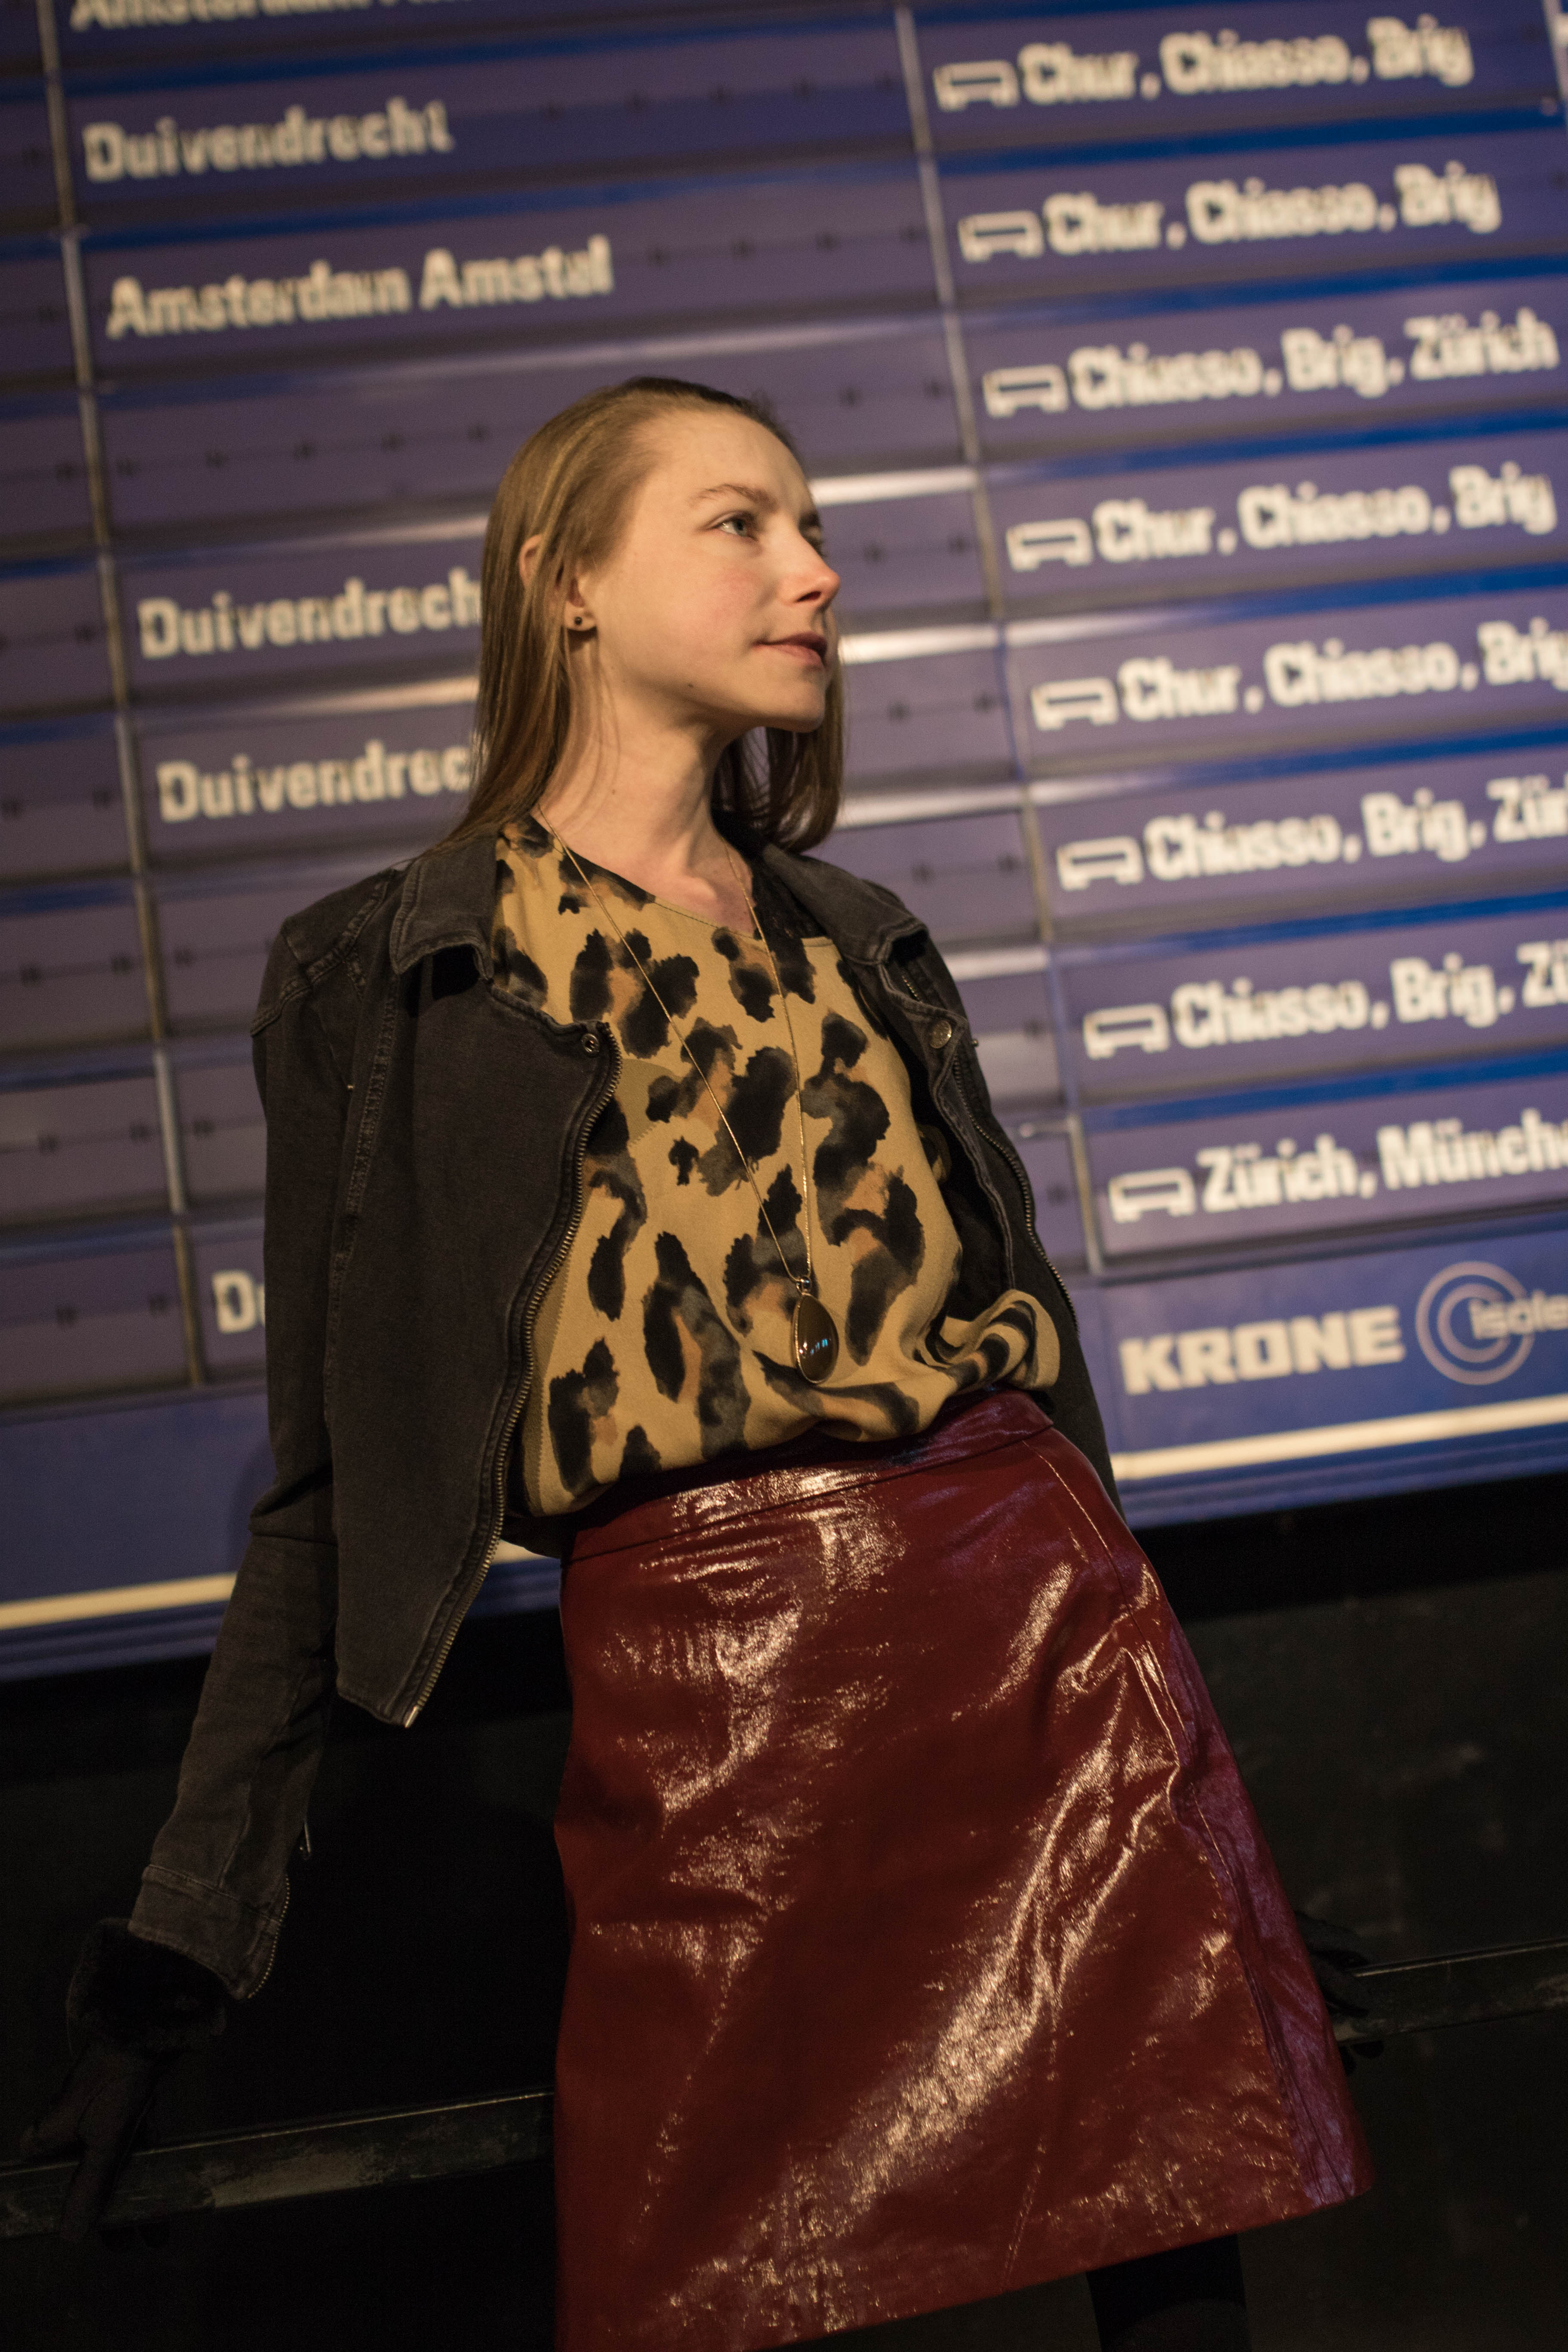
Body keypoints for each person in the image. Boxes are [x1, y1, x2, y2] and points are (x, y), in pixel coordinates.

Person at [23, 377, 1370, 2348]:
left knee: (1177, 2247)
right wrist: (178, 1953)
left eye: (814, 530)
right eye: (741, 523)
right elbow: (336, 1492)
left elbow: (1043, 1397)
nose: (814, 573)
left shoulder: (862, 938)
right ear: (562, 583)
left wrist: (1202, 1836)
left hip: (1043, 1656)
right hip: (710, 1713)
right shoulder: (393, 973)